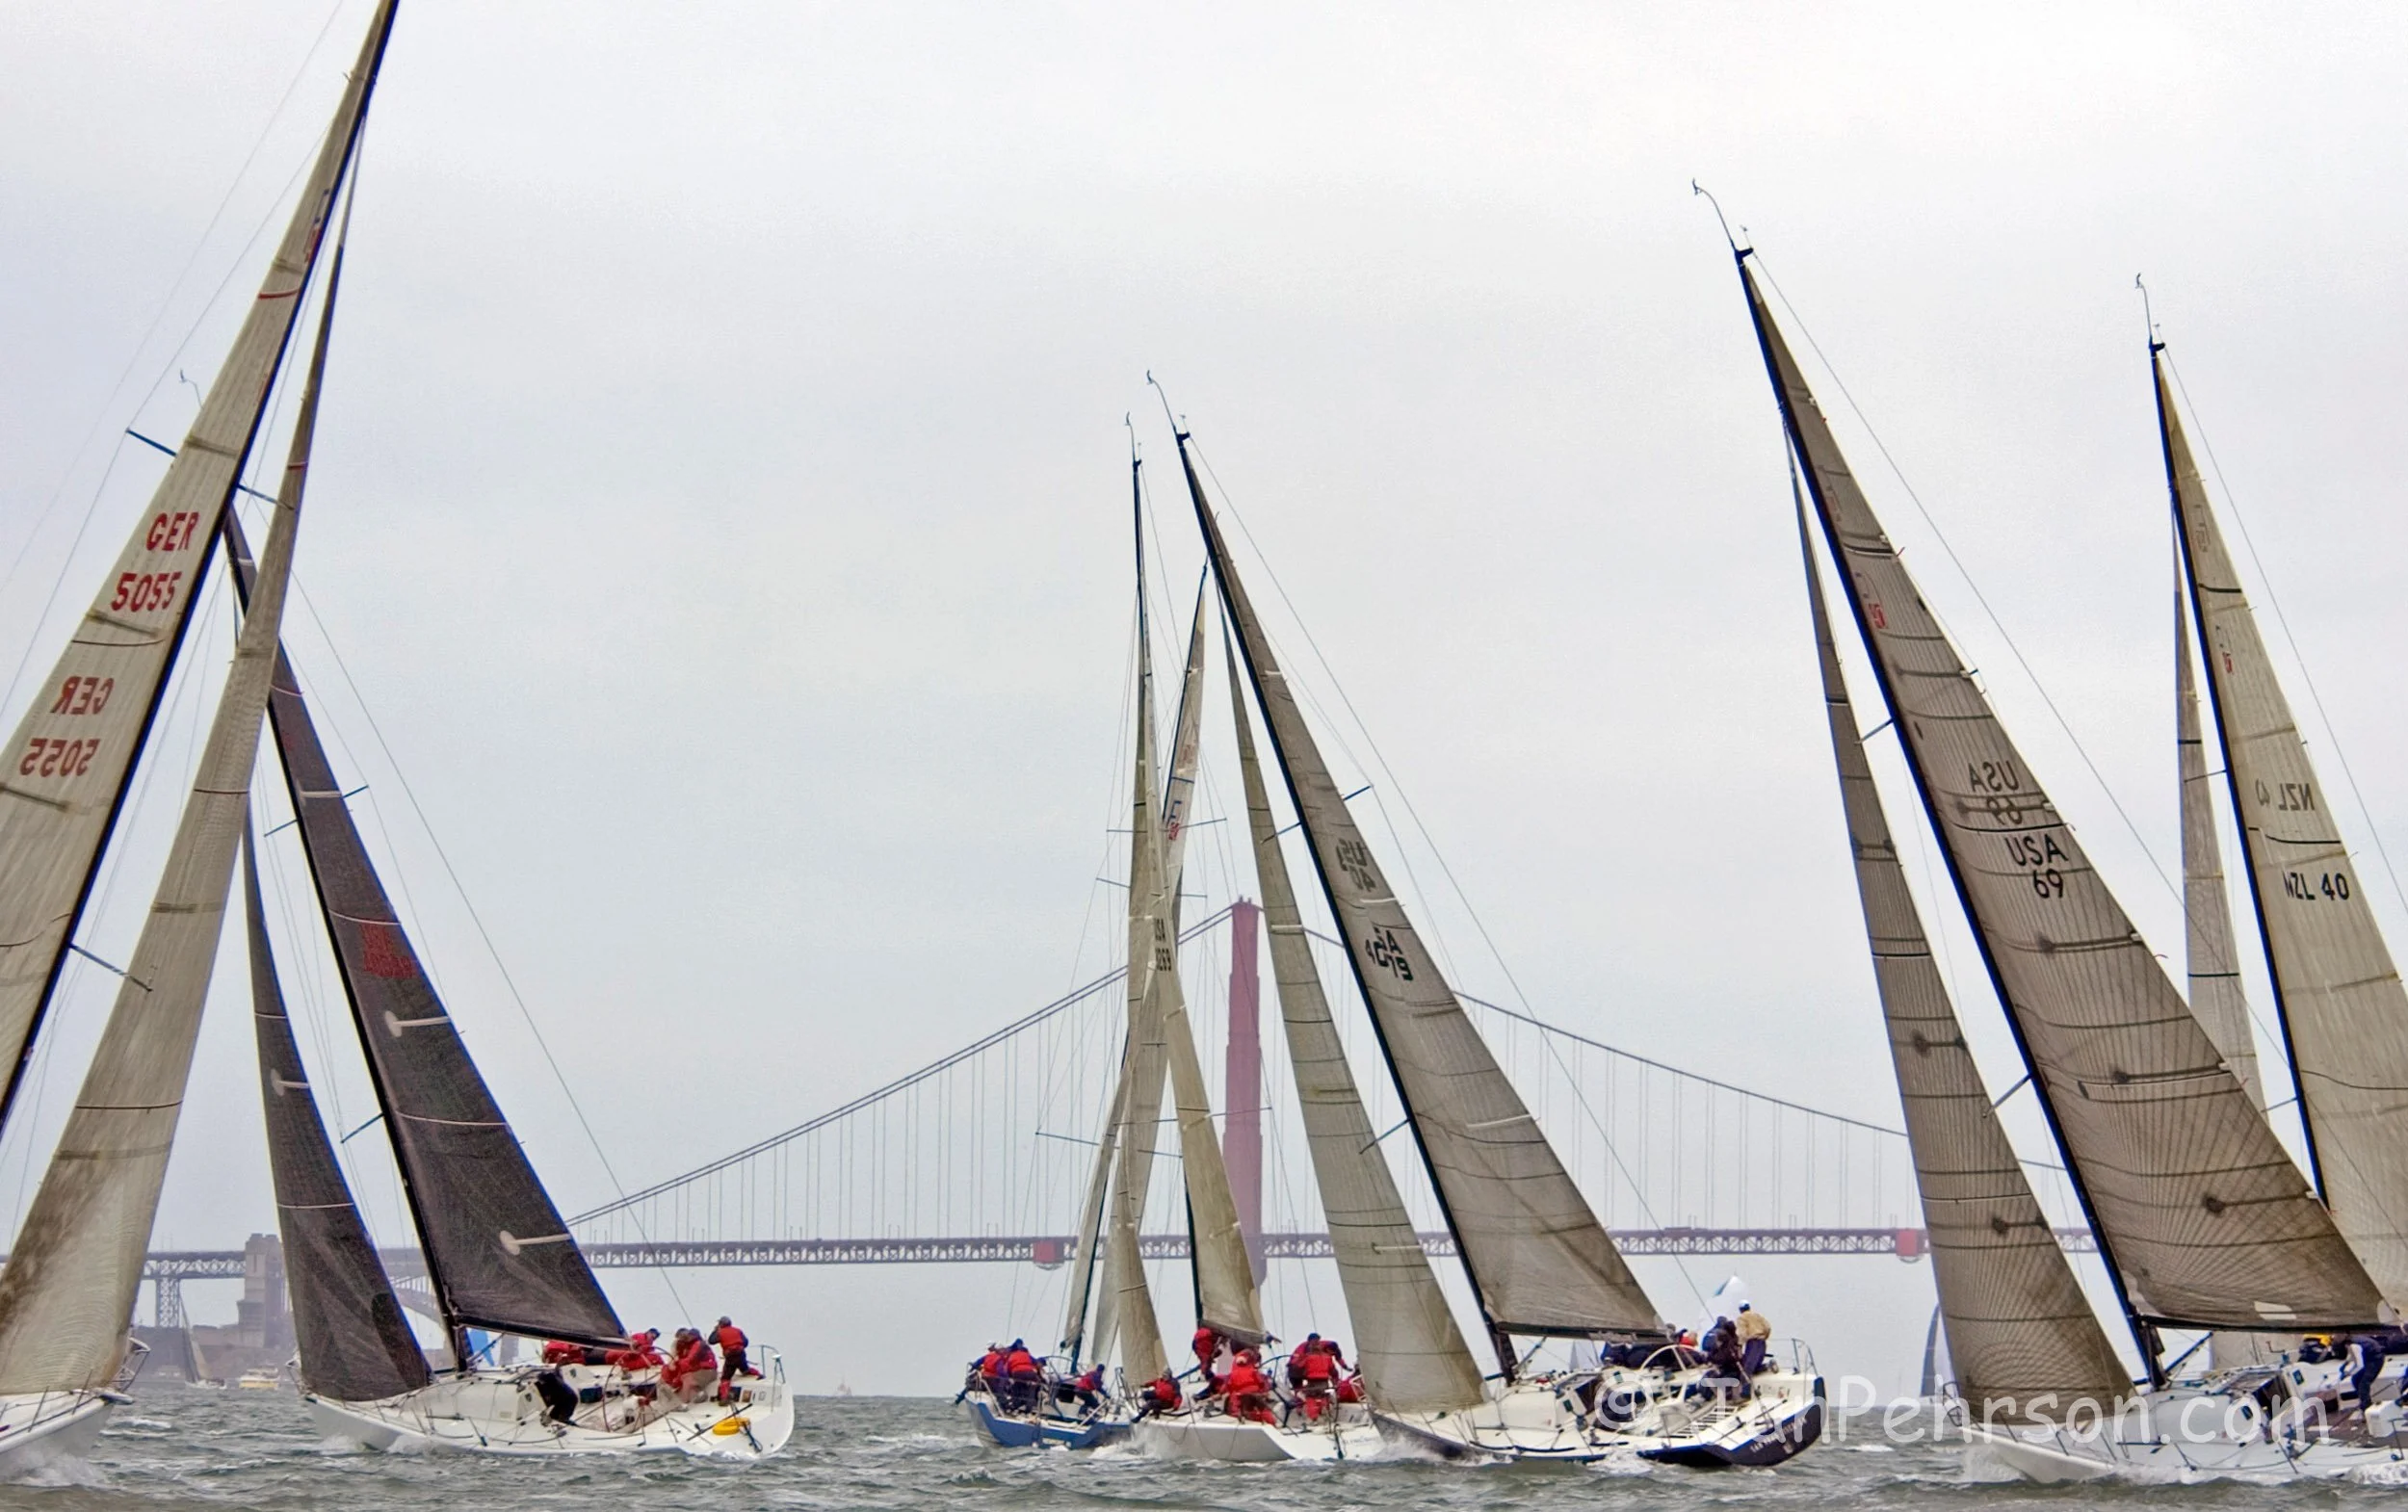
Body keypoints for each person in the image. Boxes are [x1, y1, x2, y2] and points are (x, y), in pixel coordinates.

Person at [1222, 1348, 1275, 1424]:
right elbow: (1261, 1383)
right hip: (1255, 1393)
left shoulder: (1233, 1374)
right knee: (1263, 1409)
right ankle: (1271, 1422)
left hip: (1242, 1394)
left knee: (1237, 1404)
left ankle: (1238, 1416)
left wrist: (1232, 1393)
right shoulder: (1253, 1371)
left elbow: (1230, 1386)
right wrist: (1264, 1392)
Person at [714, 1316, 753, 1402]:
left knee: (726, 1377)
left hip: (730, 1356)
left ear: (721, 1324)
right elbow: (745, 1342)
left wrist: (715, 1330)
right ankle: (759, 1375)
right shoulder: (738, 1330)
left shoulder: (720, 1332)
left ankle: (724, 1398)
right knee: (745, 1369)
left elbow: (711, 1341)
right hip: (740, 1353)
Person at [1003, 1339, 1044, 1413]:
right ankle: (1030, 1407)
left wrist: (1009, 1377)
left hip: (1017, 1373)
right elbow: (1037, 1363)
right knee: (1034, 1386)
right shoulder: (1027, 1355)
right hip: (1030, 1373)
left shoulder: (1011, 1355)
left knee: (1016, 1386)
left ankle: (1015, 1405)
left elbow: (1006, 1369)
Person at [1736, 1302, 1772, 1374]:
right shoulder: (1757, 1315)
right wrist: (1765, 1337)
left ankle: (1745, 1385)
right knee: (1757, 1364)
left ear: (1740, 1310)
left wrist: (1739, 1345)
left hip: (1753, 1343)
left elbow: (1742, 1334)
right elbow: (1768, 1327)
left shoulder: (1742, 1318)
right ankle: (1767, 1366)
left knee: (1748, 1367)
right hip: (1762, 1342)